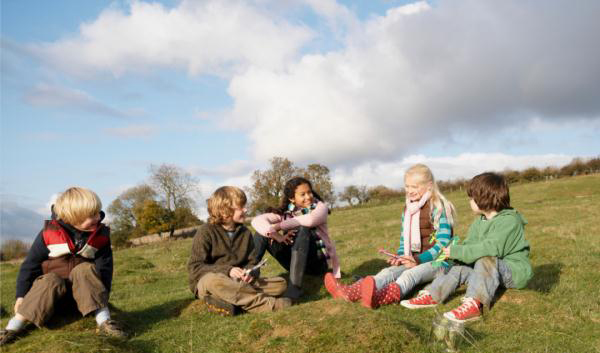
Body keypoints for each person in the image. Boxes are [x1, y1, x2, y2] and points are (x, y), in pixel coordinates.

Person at [0, 187, 126, 346]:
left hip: (83, 301)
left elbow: (105, 269)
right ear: (72, 218)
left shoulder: (100, 237)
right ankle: (13, 327)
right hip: (49, 301)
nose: (97, 218)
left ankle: (105, 321)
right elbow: (29, 266)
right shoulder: (48, 234)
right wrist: (21, 296)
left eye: (98, 212)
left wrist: (104, 295)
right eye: (91, 215)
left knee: (84, 269)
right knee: (51, 279)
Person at [400, 172, 533, 323]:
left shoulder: (509, 221)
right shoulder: (479, 222)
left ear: (483, 198)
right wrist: (453, 255)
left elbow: (491, 248)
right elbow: (470, 245)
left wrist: (458, 251)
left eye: (471, 198)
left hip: (513, 272)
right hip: (488, 272)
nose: (469, 201)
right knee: (460, 267)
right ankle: (433, 295)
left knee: (485, 259)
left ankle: (474, 305)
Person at [325, 164, 457, 309]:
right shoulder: (408, 209)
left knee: (410, 275)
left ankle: (380, 298)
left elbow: (443, 243)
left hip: (439, 262)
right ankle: (351, 292)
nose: (410, 191)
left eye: (415, 187)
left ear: (429, 186)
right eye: (407, 186)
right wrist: (400, 256)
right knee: (387, 272)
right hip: (413, 259)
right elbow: (403, 239)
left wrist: (418, 259)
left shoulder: (438, 207)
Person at [188, 186, 291, 315]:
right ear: (225, 211)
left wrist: (250, 273)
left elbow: (252, 262)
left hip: (238, 282)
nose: (246, 209)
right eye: (241, 206)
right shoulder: (205, 231)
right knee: (215, 281)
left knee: (281, 284)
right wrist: (228, 270)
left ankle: (227, 302)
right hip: (208, 282)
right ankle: (267, 305)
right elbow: (195, 268)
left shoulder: (245, 233)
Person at [252, 177, 340, 300]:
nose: (308, 197)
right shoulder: (285, 213)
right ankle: (249, 273)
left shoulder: (320, 207)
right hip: (293, 259)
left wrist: (277, 226)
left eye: (309, 192)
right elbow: (257, 221)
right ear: (292, 198)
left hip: (317, 262)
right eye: (302, 194)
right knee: (262, 234)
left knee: (302, 228)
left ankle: (295, 288)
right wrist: (276, 235)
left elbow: (310, 220)